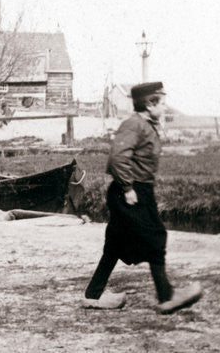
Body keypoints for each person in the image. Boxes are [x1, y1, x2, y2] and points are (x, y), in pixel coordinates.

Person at [82, 81, 203, 313]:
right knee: (156, 236)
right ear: (150, 104)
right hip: (130, 191)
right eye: (162, 103)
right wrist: (128, 189)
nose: (165, 107)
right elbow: (117, 159)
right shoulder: (134, 124)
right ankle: (167, 296)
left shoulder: (146, 125)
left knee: (115, 245)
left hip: (137, 189)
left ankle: (93, 295)